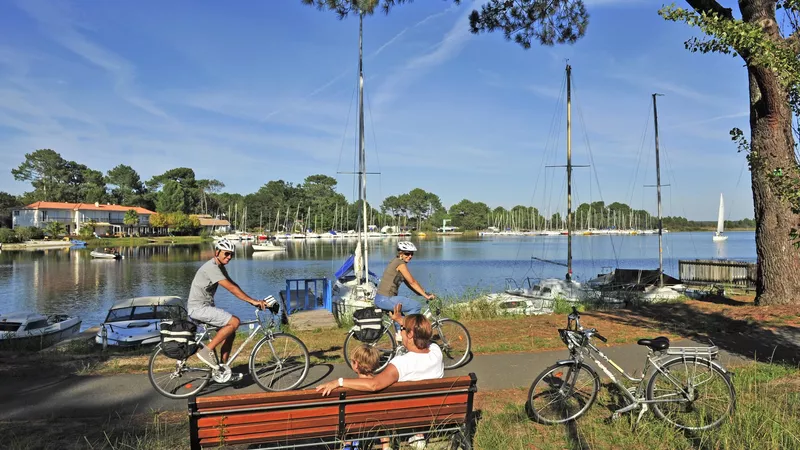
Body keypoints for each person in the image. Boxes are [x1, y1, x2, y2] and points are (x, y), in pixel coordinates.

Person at [317, 304, 442, 449]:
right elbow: (422, 336)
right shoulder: (436, 352)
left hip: (403, 415)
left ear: (410, 335)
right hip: (431, 412)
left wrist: (339, 382)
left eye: (402, 330)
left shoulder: (400, 364)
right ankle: (419, 435)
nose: (400, 332)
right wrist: (400, 320)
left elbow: (374, 385)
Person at [189, 238, 277, 374]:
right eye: (226, 254)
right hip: (199, 309)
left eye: (231, 254)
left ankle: (222, 368)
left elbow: (234, 285)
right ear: (217, 252)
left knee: (230, 332)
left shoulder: (219, 267)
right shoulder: (211, 268)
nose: (229, 257)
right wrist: (253, 302)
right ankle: (206, 351)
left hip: (205, 308)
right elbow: (230, 288)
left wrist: (254, 300)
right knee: (234, 321)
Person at [374, 241, 435, 334]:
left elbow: (408, 283)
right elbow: (412, 282)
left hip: (381, 299)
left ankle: (400, 339)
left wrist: (423, 293)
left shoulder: (396, 262)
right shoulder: (400, 263)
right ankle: (408, 332)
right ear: (400, 253)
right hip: (386, 299)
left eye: (412, 254)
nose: (410, 256)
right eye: (407, 253)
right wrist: (426, 296)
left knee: (400, 317)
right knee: (416, 306)